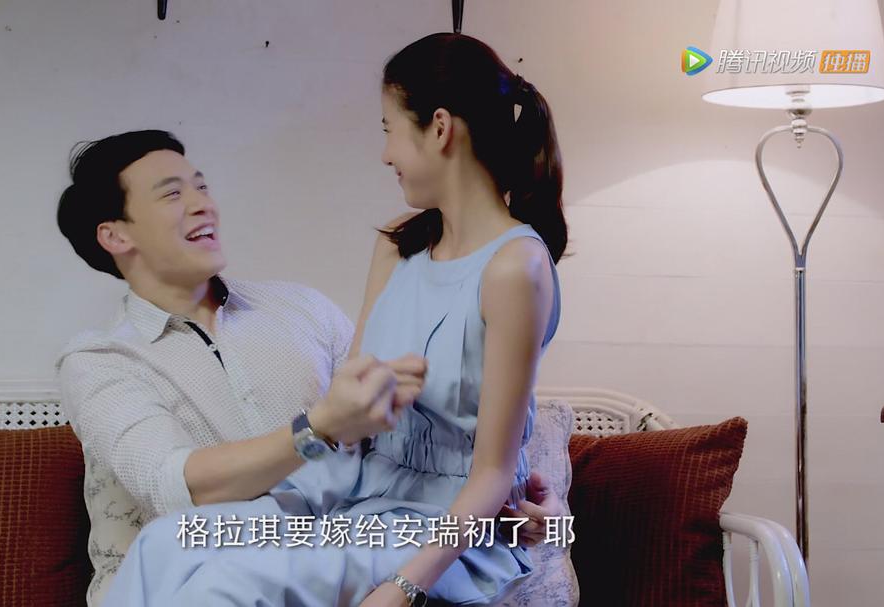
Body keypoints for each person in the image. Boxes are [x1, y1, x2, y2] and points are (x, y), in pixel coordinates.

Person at [104, 31, 567, 607]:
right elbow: (352, 404)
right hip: (355, 487)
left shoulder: (516, 268)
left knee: (226, 587)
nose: (385, 154)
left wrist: (401, 590)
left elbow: (493, 475)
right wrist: (356, 408)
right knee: (164, 544)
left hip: (441, 525)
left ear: (440, 128)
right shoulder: (398, 245)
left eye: (388, 130)